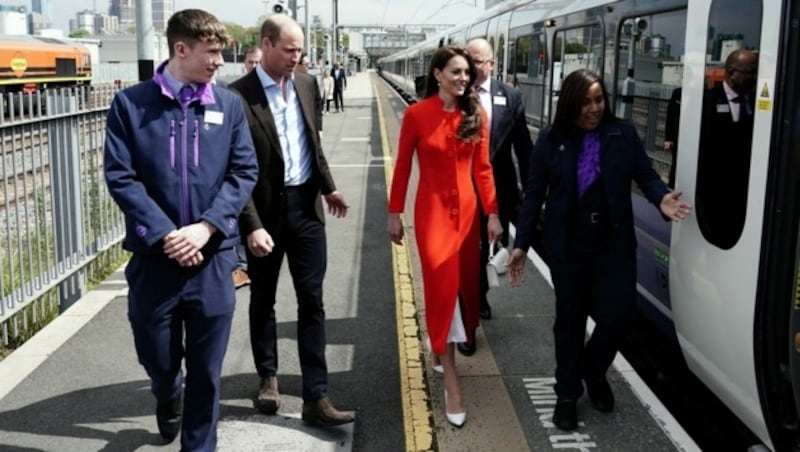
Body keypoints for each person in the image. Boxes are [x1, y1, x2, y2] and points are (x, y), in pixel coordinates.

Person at [103, 9, 258, 450]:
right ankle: (166, 391)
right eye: (211, 52)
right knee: (158, 356)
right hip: (156, 260)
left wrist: (208, 228)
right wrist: (167, 233)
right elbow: (121, 175)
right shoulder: (132, 105)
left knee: (207, 373)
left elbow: (243, 171)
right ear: (180, 49)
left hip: (212, 260)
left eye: (221, 53)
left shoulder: (228, 106)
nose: (218, 61)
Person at [505, 69, 692, 431]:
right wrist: (521, 244)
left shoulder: (622, 134)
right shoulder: (551, 139)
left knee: (618, 317)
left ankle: (593, 369)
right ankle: (567, 393)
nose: (594, 108)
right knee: (570, 322)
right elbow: (533, 194)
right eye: (586, 102)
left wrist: (661, 199)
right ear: (571, 103)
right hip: (569, 246)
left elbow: (646, 175)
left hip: (613, 244)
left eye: (599, 100)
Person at [229, 14, 353, 427]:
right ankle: (268, 379)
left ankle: (316, 396)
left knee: (312, 300)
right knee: (263, 299)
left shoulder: (306, 83)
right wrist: (251, 224)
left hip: (306, 209)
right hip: (264, 213)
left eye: (299, 50)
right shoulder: (237, 96)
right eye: (289, 50)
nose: (296, 57)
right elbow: (234, 169)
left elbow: (312, 142)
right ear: (265, 45)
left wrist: (329, 187)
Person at [388, 45, 503, 428]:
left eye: (467, 72)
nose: (463, 78)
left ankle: (439, 349)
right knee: (443, 287)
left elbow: (484, 169)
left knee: (464, 289)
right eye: (456, 71)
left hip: (469, 217)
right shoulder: (417, 115)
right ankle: (452, 383)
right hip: (431, 218)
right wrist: (394, 213)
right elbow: (403, 166)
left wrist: (493, 214)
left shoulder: (477, 116)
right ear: (437, 74)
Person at [460, 38, 533, 351]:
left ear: (492, 63)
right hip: (462, 189)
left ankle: (480, 297)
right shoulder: (454, 93)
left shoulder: (510, 96)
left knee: (489, 248)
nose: (474, 68)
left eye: (480, 61)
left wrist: (532, 187)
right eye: (470, 60)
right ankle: (468, 316)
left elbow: (523, 145)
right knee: (466, 251)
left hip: (498, 189)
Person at [695, 49, 757, 250]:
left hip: (743, 192)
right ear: (731, 73)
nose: (754, 78)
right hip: (713, 192)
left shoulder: (758, 103)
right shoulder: (705, 102)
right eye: (750, 72)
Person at [232, 45, 263, 289]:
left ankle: (248, 265)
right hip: (243, 171)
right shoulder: (235, 93)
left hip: (264, 173)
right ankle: (242, 267)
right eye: (251, 62)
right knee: (244, 219)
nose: (253, 66)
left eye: (257, 62)